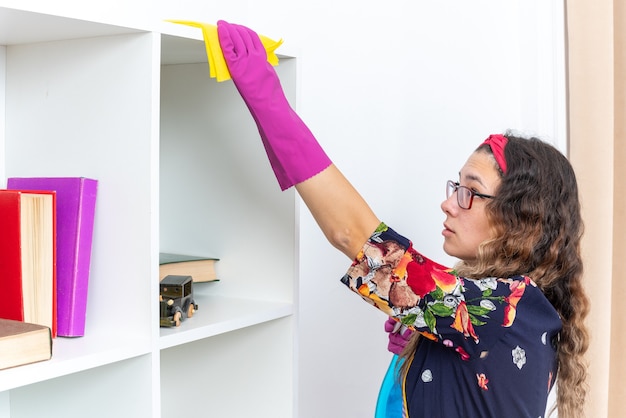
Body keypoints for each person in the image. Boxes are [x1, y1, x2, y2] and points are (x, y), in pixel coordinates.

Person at [215, 20, 590, 418]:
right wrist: (427, 354)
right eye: (455, 187)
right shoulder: (502, 309)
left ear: (522, 221)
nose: (449, 204)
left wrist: (268, 100)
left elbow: (353, 235)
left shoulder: (504, 308)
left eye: (470, 192)